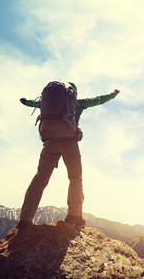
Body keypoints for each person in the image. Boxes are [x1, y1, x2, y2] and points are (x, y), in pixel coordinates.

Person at [16, 82, 119, 230]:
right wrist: (113, 95)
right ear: (72, 95)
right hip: (69, 143)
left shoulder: (45, 103)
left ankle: (25, 219)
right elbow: (98, 99)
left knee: (39, 179)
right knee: (75, 177)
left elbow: (34, 103)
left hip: (49, 142)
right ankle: (74, 215)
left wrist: (25, 101)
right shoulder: (78, 103)